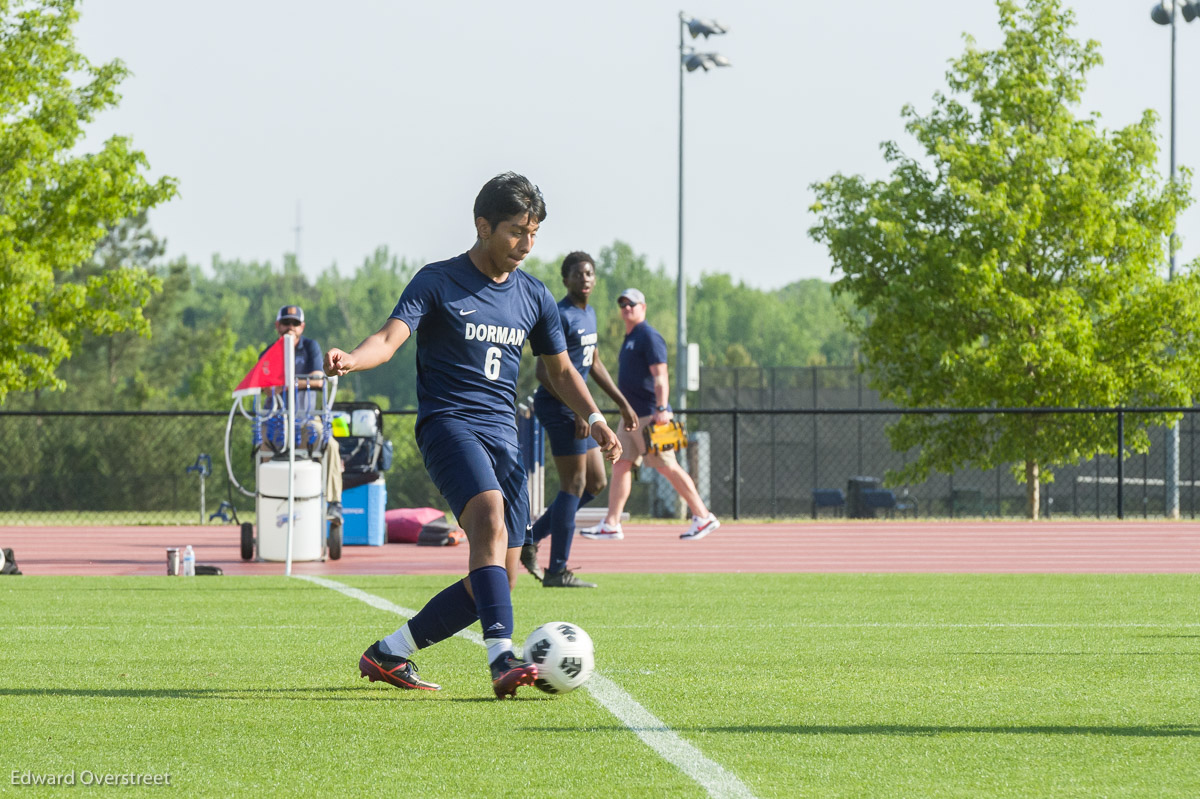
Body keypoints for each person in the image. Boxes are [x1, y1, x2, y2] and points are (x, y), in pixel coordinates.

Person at [323, 172, 620, 698]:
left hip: (503, 438)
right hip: (449, 425)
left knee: (498, 581)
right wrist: (352, 359)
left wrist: (596, 418)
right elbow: (389, 339)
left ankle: (389, 653)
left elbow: (561, 371)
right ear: (482, 226)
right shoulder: (437, 280)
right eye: (515, 232)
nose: (526, 245)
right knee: (485, 514)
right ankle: (501, 657)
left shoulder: (533, 295)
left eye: (534, 233)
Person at [520, 251, 638, 589]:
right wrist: (578, 410)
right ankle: (557, 570)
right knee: (573, 484)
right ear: (565, 279)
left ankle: (531, 537)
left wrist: (622, 403)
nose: (584, 278)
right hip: (559, 408)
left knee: (595, 483)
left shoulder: (590, 314)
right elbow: (545, 371)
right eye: (577, 273)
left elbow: (594, 364)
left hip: (580, 411)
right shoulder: (560, 314)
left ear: (595, 279)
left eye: (589, 273)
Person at [581, 288, 720, 541]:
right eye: (622, 304)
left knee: (666, 465)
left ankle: (703, 515)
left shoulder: (648, 336)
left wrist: (662, 408)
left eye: (631, 304)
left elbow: (660, 375)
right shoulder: (631, 336)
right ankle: (612, 523)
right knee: (621, 464)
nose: (626, 308)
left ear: (643, 307)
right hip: (631, 417)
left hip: (649, 415)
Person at [258, 304, 343, 523]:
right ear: (278, 325)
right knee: (264, 448)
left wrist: (286, 384)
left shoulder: (310, 348)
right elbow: (264, 387)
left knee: (330, 445)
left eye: (295, 324)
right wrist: (289, 384)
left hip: (306, 418)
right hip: (276, 419)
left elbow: (316, 380)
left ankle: (333, 504)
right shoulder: (269, 352)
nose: (290, 327)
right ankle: (268, 503)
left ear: (302, 327)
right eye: (286, 323)